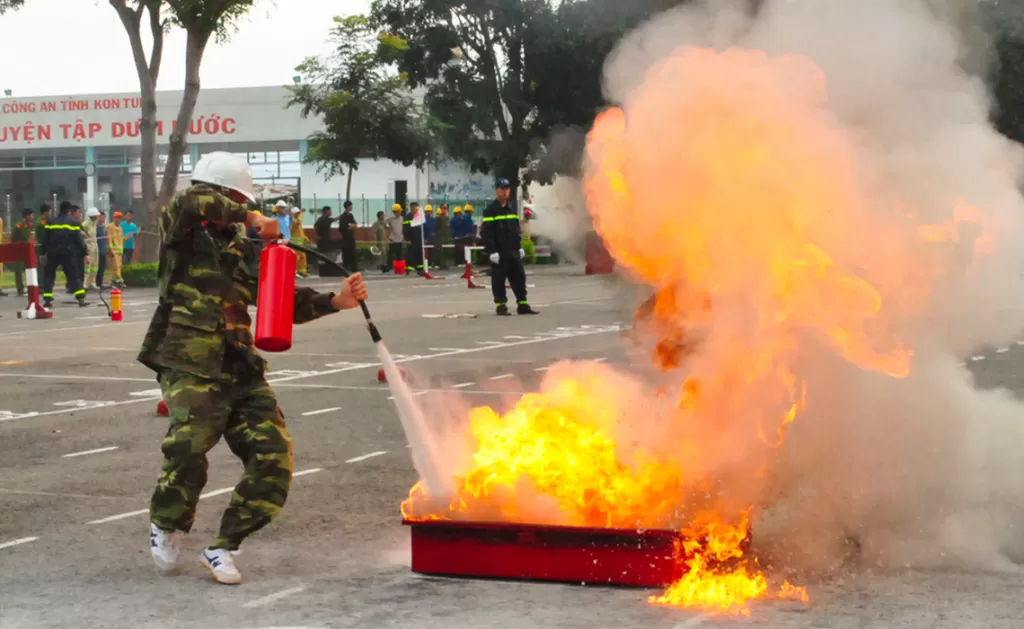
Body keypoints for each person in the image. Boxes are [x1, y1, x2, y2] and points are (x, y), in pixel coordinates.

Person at [139, 151, 368, 585]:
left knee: (273, 460)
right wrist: (249, 214)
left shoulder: (242, 251)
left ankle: (222, 547)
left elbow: (281, 298)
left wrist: (339, 301)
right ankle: (167, 523)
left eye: (236, 200)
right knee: (189, 446)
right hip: (188, 362)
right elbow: (190, 203)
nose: (232, 209)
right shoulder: (182, 230)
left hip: (241, 368)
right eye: (228, 199)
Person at [481, 178, 537, 316]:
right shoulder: (491, 210)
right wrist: (492, 251)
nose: (506, 191)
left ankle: (522, 304)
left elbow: (516, 230)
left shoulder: (511, 208)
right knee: (499, 280)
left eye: (507, 189)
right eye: (503, 188)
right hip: (499, 252)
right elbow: (487, 232)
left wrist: (519, 247)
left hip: (513, 251)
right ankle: (501, 305)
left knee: (519, 277)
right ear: (497, 190)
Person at [41, 201, 89, 308]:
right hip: (68, 253)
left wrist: (42, 253)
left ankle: (47, 300)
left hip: (52, 252)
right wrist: (85, 253)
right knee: (74, 275)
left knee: (49, 276)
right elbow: (79, 240)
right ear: (69, 211)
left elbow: (45, 239)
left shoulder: (50, 221)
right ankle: (80, 298)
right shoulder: (73, 222)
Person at [106, 212, 126, 289]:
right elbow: (109, 239)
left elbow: (121, 238)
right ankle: (120, 280)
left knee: (118, 266)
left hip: (120, 250)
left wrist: (126, 237)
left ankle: (114, 281)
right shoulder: (110, 227)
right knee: (116, 267)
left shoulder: (120, 228)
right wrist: (110, 249)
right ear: (114, 218)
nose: (118, 219)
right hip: (114, 250)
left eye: (120, 218)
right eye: (117, 217)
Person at [83, 208, 101, 291]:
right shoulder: (85, 224)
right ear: (92, 216)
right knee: (88, 266)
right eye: (96, 215)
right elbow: (81, 233)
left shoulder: (95, 223)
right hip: (89, 246)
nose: (98, 216)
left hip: (95, 245)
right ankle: (85, 284)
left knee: (95, 265)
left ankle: (92, 282)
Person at [288, 207, 309, 278]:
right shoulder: (293, 221)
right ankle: (295, 272)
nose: (299, 215)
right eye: (297, 213)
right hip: (294, 245)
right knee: (296, 259)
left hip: (300, 245)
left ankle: (302, 272)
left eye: (299, 213)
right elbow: (295, 224)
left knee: (302, 258)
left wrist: (305, 238)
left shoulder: (297, 221)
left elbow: (300, 232)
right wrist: (302, 213)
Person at [405, 202, 425, 276]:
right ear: (410, 208)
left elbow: (423, 227)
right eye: (413, 207)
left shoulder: (420, 216)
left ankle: (420, 269)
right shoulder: (408, 217)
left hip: (419, 238)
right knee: (410, 254)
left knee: (420, 254)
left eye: (416, 207)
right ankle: (408, 269)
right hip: (411, 238)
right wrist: (407, 239)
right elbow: (405, 228)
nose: (414, 209)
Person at [338, 200, 359, 272]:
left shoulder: (350, 215)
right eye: (350, 206)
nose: (351, 207)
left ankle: (354, 269)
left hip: (351, 238)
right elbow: (343, 228)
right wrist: (350, 226)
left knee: (353, 253)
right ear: (347, 207)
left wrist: (351, 225)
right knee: (346, 254)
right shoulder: (343, 216)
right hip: (345, 239)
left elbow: (355, 224)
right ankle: (345, 268)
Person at [387, 203, 404, 271]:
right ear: (395, 212)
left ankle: (399, 268)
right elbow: (384, 225)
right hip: (392, 240)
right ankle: (389, 267)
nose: (400, 212)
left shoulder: (402, 218)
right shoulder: (390, 219)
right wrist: (389, 236)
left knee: (399, 255)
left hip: (400, 239)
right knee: (391, 254)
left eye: (400, 211)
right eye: (399, 211)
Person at [434, 204, 451, 270]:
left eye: (446, 208)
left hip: (446, 237)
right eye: (443, 208)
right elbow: (436, 228)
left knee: (446, 251)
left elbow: (448, 228)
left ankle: (444, 263)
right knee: (441, 252)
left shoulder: (447, 218)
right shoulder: (438, 218)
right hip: (440, 238)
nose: (444, 210)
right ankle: (441, 264)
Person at [35, 204, 50, 271]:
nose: (51, 213)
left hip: (43, 246)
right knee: (42, 266)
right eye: (50, 211)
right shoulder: (42, 222)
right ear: (45, 212)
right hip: (42, 246)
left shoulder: (43, 220)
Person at [95, 211, 108, 289]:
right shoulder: (95, 227)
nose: (102, 219)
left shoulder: (104, 227)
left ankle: (100, 282)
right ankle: (95, 282)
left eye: (104, 217)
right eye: (101, 217)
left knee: (102, 268)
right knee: (97, 267)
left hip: (103, 250)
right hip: (97, 250)